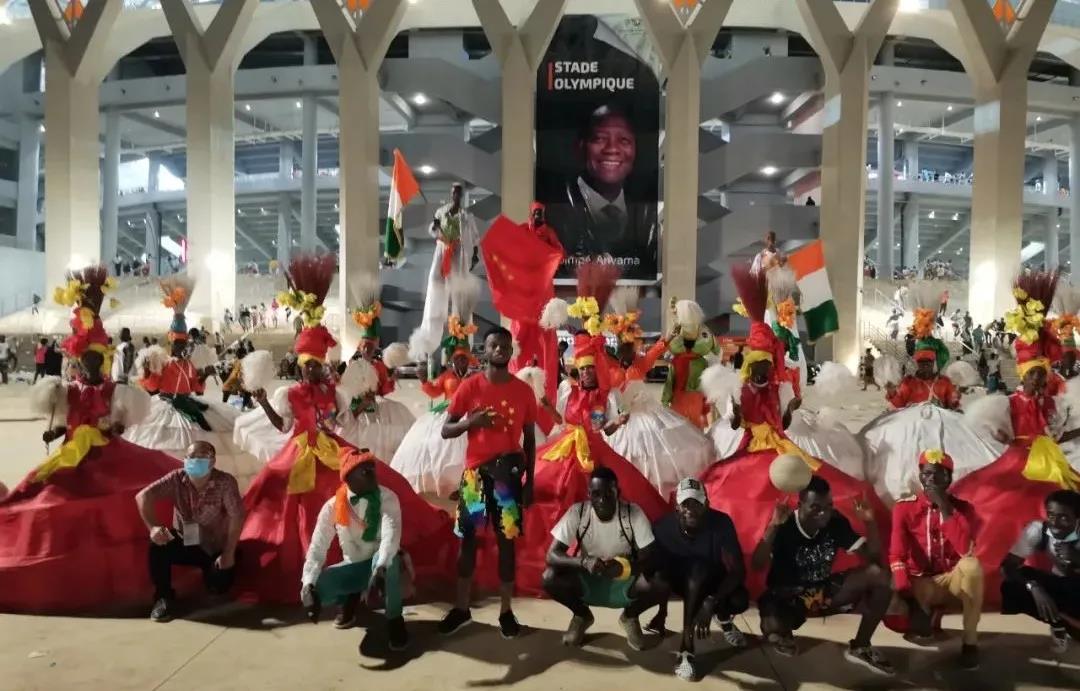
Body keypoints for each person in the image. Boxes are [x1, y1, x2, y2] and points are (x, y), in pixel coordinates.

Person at [236, 255, 453, 604]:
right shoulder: (288, 394)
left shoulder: (331, 392)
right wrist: (263, 403)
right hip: (299, 449)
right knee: (282, 492)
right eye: (308, 366)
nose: (313, 371)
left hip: (331, 444)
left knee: (376, 478)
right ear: (299, 367)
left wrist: (347, 414)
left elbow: (341, 421)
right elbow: (283, 426)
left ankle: (369, 554)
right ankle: (310, 569)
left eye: (317, 366)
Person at [0, 266, 177, 612]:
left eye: (96, 359)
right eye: (86, 360)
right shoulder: (67, 390)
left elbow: (121, 422)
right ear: (79, 361)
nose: (91, 365)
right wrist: (55, 431)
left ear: (105, 359)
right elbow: (64, 421)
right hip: (72, 454)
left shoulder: (114, 390)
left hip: (106, 452)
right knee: (45, 496)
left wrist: (115, 428)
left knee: (124, 495)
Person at [952, 270, 1080, 603]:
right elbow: (993, 431)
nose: (1038, 380)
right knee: (1007, 507)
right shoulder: (1008, 403)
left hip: (1052, 459)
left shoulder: (1052, 402)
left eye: (1041, 374)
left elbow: (1058, 432)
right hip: (1020, 460)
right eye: (1033, 375)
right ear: (1023, 375)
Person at [439, 326, 538, 637]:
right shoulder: (469, 387)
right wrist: (472, 421)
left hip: (508, 477)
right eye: (494, 345)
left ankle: (506, 612)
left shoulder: (524, 391)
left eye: (505, 346)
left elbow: (530, 440)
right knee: (467, 541)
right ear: (484, 350)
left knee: (507, 542)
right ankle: (462, 608)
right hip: (475, 476)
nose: (500, 350)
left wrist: (530, 482)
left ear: (511, 351)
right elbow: (446, 430)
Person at [753, 477, 894, 675]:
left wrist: (869, 521)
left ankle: (861, 646)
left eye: (828, 506)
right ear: (800, 505)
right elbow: (757, 564)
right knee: (773, 629)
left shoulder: (835, 521)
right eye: (815, 508)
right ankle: (783, 631)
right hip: (788, 595)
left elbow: (874, 561)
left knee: (881, 576)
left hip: (823, 592)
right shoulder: (785, 525)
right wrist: (773, 526)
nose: (824, 513)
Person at [543, 467, 665, 652]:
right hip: (588, 578)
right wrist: (584, 562)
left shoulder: (632, 513)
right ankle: (581, 615)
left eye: (609, 493)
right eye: (596, 494)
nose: (602, 500)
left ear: (618, 493)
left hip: (624, 580)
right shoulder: (578, 512)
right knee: (549, 577)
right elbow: (551, 555)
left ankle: (630, 617)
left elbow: (650, 557)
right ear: (589, 494)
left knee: (661, 581)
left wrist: (624, 567)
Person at [300, 449, 409, 650]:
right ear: (348, 478)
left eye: (372, 468)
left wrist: (380, 568)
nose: (372, 473)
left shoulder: (387, 497)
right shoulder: (332, 507)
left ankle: (395, 619)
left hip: (380, 565)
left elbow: (391, 537)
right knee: (319, 586)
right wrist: (308, 585)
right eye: (365, 471)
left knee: (390, 562)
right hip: (354, 565)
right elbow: (317, 547)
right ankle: (349, 598)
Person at [888, 450, 982, 669]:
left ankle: (970, 643)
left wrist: (945, 508)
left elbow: (964, 550)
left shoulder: (964, 509)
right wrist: (908, 599)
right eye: (926, 473)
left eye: (936, 474)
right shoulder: (904, 508)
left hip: (951, 581)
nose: (929, 479)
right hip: (920, 583)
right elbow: (896, 555)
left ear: (948, 478)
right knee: (906, 621)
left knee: (972, 565)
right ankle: (926, 615)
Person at [650, 478, 749, 681]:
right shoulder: (662, 527)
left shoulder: (721, 522)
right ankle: (686, 650)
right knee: (694, 572)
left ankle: (722, 617)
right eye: (685, 504)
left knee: (740, 599)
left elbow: (738, 570)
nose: (691, 509)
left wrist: (712, 601)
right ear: (677, 507)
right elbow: (660, 575)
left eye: (697, 503)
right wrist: (662, 611)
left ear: (707, 504)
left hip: (711, 580)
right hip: (680, 581)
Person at [545, 104, 657, 280]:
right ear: (580, 147)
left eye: (624, 140)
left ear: (635, 149)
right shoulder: (550, 211)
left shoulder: (652, 212)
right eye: (599, 139)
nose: (612, 149)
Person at [135, 441, 243, 622]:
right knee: (158, 544)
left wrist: (229, 552)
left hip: (214, 547)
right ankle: (163, 597)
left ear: (212, 461)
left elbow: (237, 516)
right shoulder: (176, 478)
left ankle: (221, 570)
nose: (195, 461)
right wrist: (153, 527)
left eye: (201, 457)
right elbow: (143, 496)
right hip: (186, 542)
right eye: (191, 457)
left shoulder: (225, 482)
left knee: (219, 587)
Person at [480, 203, 564, 428]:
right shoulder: (521, 231)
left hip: (543, 295)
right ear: (530, 214)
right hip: (523, 296)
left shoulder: (549, 234)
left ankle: (544, 414)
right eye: (535, 213)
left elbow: (559, 255)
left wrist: (545, 240)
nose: (538, 216)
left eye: (541, 213)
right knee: (517, 344)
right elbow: (507, 249)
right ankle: (515, 402)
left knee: (546, 350)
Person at [390, 309, 477, 498]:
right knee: (438, 448)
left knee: (468, 448)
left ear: (468, 360)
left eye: (463, 358)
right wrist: (424, 381)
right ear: (453, 361)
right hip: (447, 413)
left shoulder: (474, 377)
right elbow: (434, 391)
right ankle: (449, 484)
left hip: (468, 414)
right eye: (457, 359)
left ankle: (466, 483)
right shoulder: (447, 376)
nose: (460, 362)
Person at [1000, 489, 1080, 652]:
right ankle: (1060, 623)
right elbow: (1008, 566)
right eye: (1051, 515)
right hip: (1061, 587)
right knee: (1012, 585)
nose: (1055, 523)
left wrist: (1076, 557)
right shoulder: (1038, 529)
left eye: (1064, 517)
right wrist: (1033, 587)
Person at [420, 182, 480, 342]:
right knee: (435, 283)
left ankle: (460, 330)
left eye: (459, 193)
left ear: (462, 195)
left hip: (458, 252)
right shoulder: (441, 212)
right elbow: (433, 229)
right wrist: (435, 226)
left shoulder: (467, 216)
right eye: (454, 192)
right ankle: (430, 332)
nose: (456, 195)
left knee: (459, 292)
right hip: (442, 250)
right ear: (451, 194)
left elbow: (475, 238)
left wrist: (475, 255)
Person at [663, 298, 719, 429]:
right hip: (694, 398)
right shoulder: (702, 362)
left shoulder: (677, 362)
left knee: (679, 428)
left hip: (680, 398)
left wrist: (665, 401)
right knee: (695, 427)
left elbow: (669, 382)